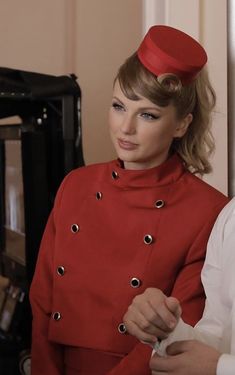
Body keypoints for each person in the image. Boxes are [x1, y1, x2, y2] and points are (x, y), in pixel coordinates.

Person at [29, 25, 229, 375]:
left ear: (182, 124)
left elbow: (182, 334)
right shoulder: (75, 185)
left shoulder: (208, 211)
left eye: (148, 114)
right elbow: (42, 301)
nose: (125, 128)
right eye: (119, 106)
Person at [123, 198, 235, 374]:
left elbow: (216, 364)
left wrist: (221, 369)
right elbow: (220, 337)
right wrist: (167, 331)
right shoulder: (231, 215)